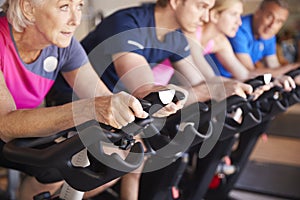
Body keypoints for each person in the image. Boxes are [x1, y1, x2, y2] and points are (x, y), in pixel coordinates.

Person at [0, 0, 186, 199]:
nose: (76, 20)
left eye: (79, 6)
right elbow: (5, 124)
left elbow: (102, 98)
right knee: (57, 167)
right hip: (7, 128)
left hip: (21, 132)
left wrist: (147, 102)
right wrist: (88, 109)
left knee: (101, 160)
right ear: (28, 8)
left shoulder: (65, 46)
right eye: (64, 7)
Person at [226, 0, 299, 77]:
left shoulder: (268, 34)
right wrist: (291, 67)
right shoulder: (238, 28)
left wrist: (289, 72)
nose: (272, 25)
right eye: (269, 17)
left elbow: (273, 66)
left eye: (279, 21)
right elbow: (250, 71)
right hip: (222, 81)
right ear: (257, 13)